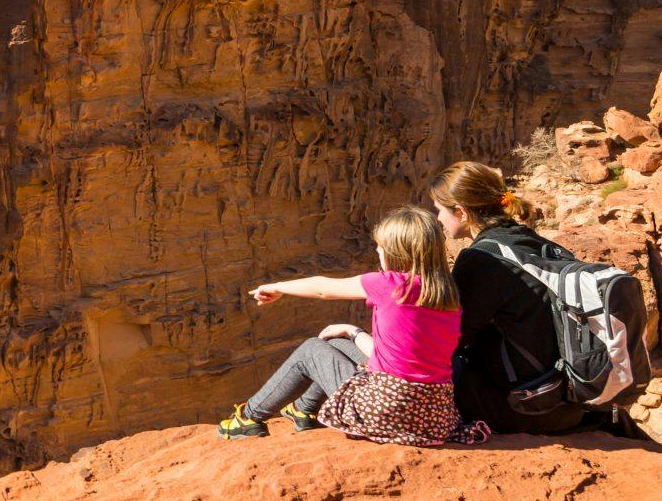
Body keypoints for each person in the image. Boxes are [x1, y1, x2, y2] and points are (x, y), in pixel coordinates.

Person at [218, 206, 485, 446]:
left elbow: (323, 288)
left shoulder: (390, 284)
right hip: (434, 417)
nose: (377, 251)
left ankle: (248, 419)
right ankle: (303, 411)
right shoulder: (446, 294)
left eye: (381, 246)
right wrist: (352, 331)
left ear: (396, 251)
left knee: (311, 349)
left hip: (389, 412)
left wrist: (277, 287)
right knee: (337, 343)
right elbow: (401, 359)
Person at [428, 160, 581, 434]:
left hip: (522, 405)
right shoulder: (537, 244)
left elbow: (453, 337)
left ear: (461, 212)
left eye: (439, 210)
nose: (437, 218)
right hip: (566, 399)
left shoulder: (482, 259)